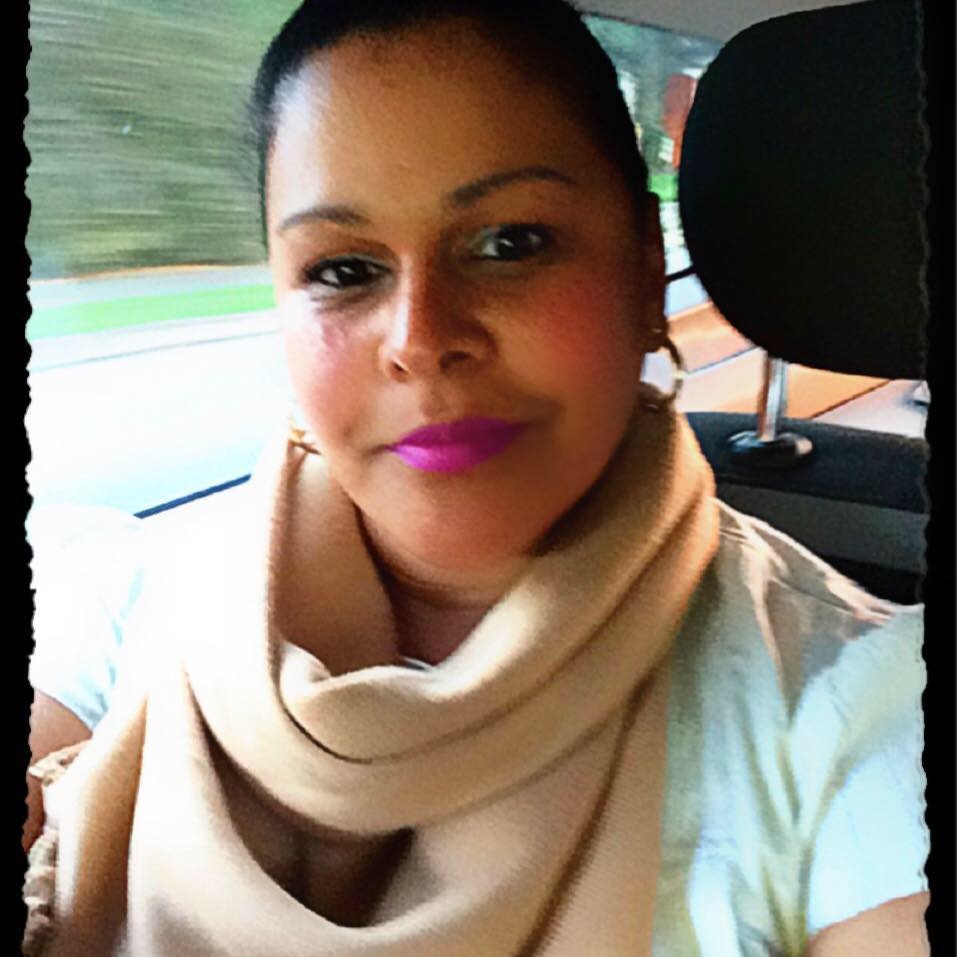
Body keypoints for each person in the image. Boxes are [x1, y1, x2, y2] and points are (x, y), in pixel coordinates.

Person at [23, 0, 929, 954]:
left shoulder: (860, 717)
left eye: (510, 243)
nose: (419, 339)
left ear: (644, 270)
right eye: (343, 269)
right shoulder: (134, 595)